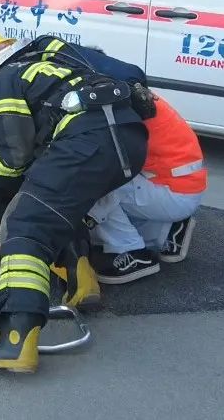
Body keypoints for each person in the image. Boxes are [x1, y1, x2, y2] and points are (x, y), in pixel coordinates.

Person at [0, 26, 149, 373]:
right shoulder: (42, 63)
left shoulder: (3, 80)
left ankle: (15, 340)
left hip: (87, 139)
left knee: (26, 224)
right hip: (127, 140)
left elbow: (13, 156)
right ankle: (82, 281)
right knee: (54, 205)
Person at [87, 92, 205, 283]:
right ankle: (167, 230)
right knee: (112, 191)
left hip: (171, 191)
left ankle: (131, 251)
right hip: (181, 186)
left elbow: (105, 161)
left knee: (91, 182)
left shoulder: (112, 103)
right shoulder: (128, 92)